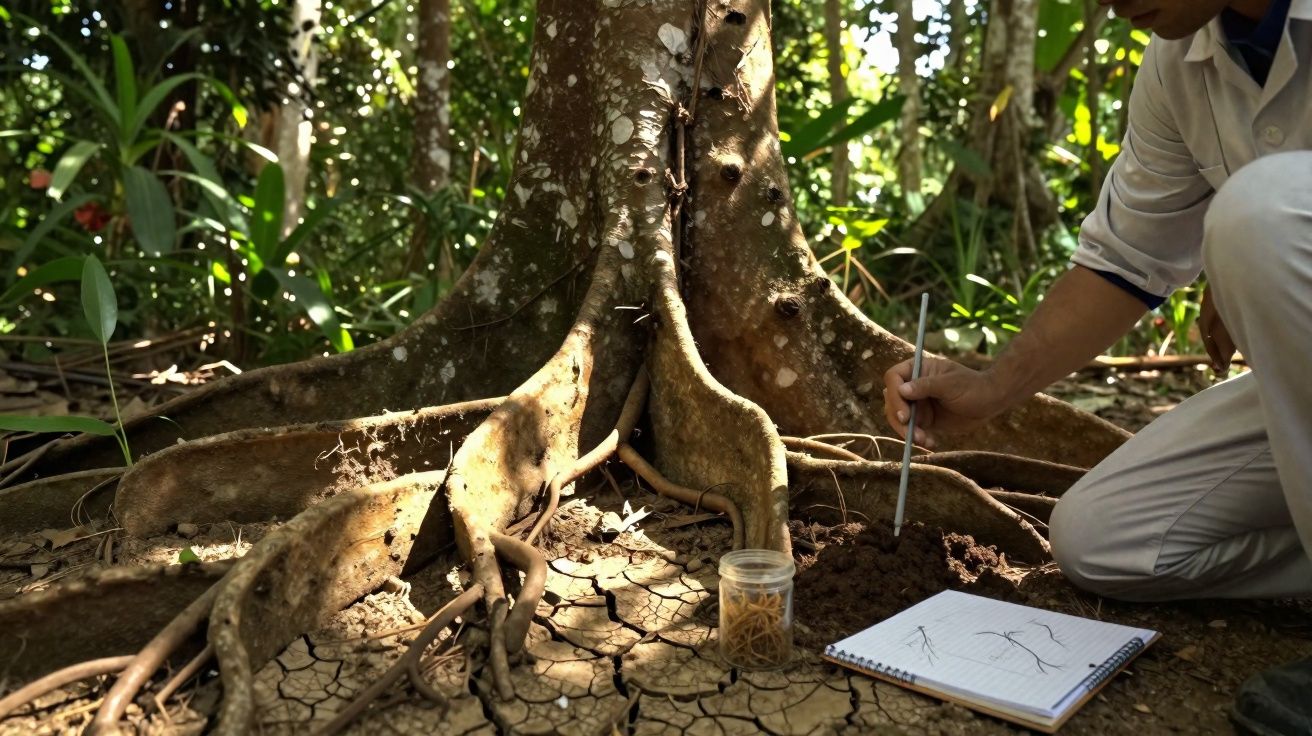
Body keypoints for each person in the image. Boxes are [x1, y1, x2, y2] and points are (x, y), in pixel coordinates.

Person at [882, 1, 1310, 733]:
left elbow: (1270, 220)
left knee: (1259, 215)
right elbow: (1124, 262)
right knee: (1105, 537)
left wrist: (1267, 247)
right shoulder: (1180, 63)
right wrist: (989, 389)